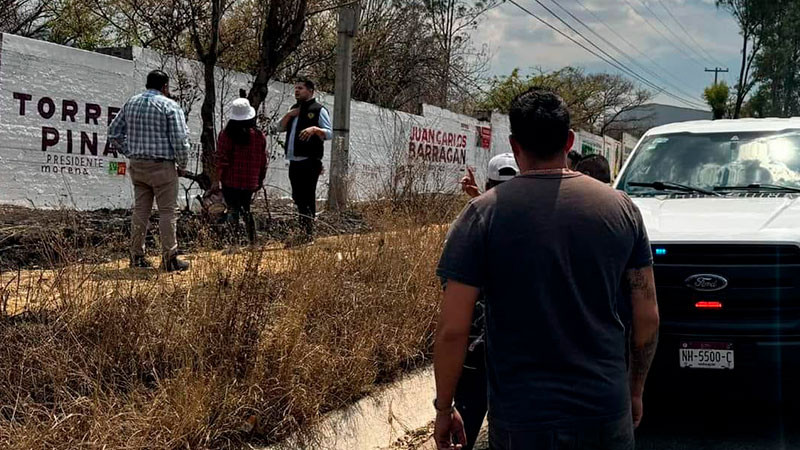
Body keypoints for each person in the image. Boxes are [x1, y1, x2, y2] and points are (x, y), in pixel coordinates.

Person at [432, 88, 660, 450]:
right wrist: (634, 390)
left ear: (514, 144)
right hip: (605, 409)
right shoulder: (622, 210)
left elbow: (453, 330)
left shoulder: (482, 216)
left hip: (522, 420)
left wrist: (445, 408)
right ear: (570, 141)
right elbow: (647, 318)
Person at [452, 153, 518, 450]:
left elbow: (451, 297)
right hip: (519, 352)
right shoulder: (537, 226)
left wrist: (442, 407)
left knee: (464, 429)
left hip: (476, 346)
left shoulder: (470, 223)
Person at [108, 70, 191, 272]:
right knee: (167, 212)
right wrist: (182, 164)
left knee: (141, 211)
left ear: (147, 84)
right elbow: (180, 139)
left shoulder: (131, 103)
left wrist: (129, 151)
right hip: (162, 165)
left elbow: (113, 132)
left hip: (138, 165)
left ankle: (136, 255)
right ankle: (169, 258)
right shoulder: (169, 105)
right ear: (165, 87)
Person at [277, 77, 333, 244]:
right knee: (297, 196)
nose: (297, 91)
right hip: (294, 161)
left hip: (310, 161)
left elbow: (329, 133)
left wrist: (315, 129)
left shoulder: (318, 110)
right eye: (296, 88)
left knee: (307, 197)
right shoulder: (294, 109)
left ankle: (308, 235)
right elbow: (280, 128)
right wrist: (289, 114)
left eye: (300, 88)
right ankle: (302, 231)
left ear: (310, 91)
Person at [216, 98, 268, 247]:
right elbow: (263, 160)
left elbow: (222, 159)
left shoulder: (226, 135)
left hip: (230, 180)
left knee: (233, 210)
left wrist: (217, 179)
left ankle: (234, 245)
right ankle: (253, 242)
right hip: (250, 181)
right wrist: (260, 180)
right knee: (246, 209)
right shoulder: (259, 136)